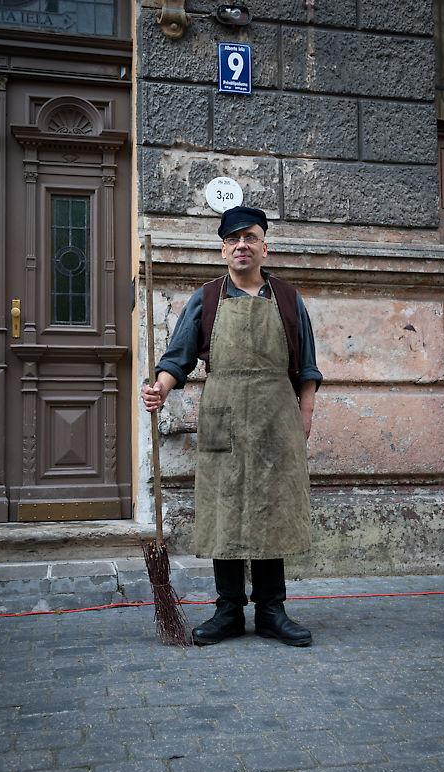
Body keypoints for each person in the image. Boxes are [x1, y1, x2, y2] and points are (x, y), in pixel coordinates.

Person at [141, 206, 322, 646]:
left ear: (265, 246)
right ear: (223, 250)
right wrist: (160, 388)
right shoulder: (205, 299)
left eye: (250, 237)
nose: (242, 245)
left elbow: (308, 366)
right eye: (233, 239)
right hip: (223, 415)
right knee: (225, 512)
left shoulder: (287, 299)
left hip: (276, 417)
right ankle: (227, 610)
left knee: (272, 508)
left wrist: (305, 414)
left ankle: (272, 611)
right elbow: (177, 358)